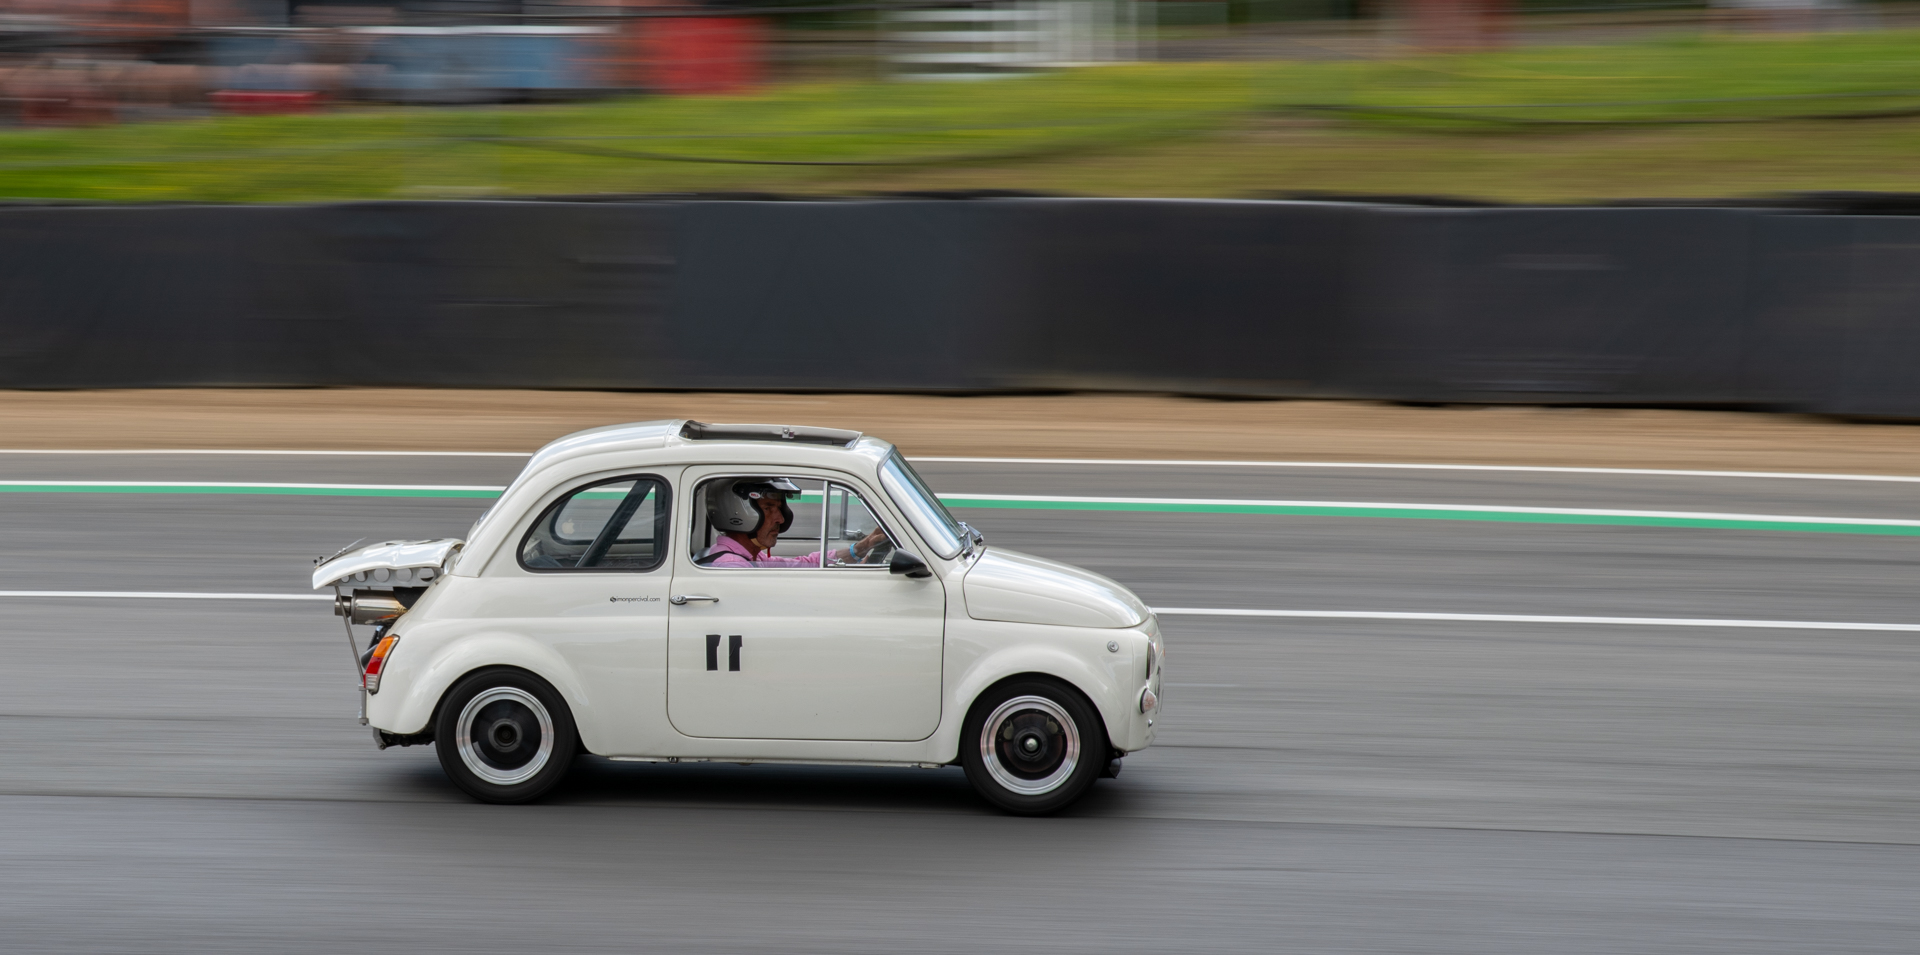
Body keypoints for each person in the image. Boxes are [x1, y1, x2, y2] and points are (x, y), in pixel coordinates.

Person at [698, 477, 889, 569]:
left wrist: (865, 546)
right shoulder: (732, 567)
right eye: (769, 508)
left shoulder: (752, 559)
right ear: (737, 513)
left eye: (780, 509)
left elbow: (807, 564)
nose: (780, 519)